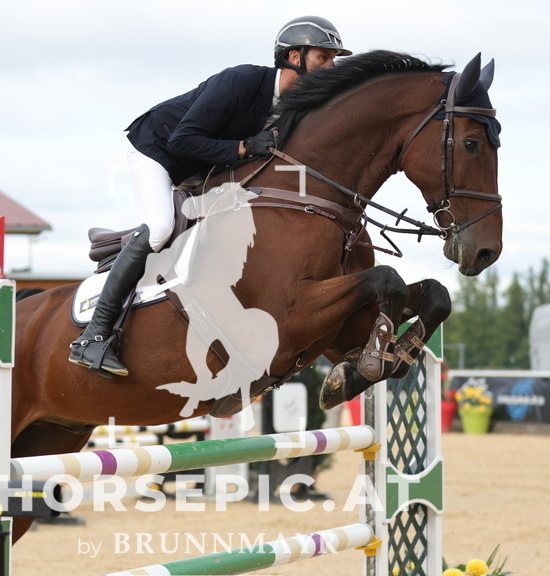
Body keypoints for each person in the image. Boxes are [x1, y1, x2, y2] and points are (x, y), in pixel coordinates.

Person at [69, 16, 351, 377]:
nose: (331, 66)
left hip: (206, 164)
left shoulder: (298, 109)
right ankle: (93, 337)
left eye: (333, 59)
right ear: (294, 56)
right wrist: (244, 146)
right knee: (159, 228)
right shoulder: (241, 81)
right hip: (158, 151)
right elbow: (181, 140)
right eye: (324, 57)